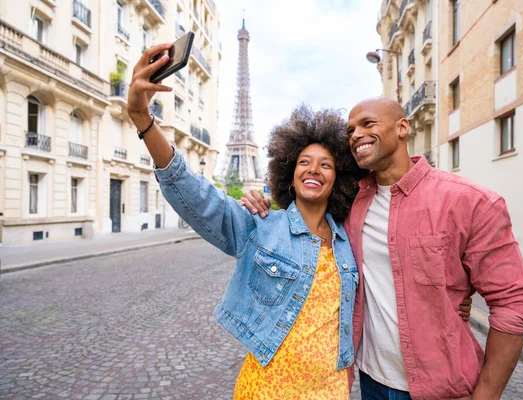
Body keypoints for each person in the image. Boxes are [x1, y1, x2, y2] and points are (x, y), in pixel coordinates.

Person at [241, 97, 523, 400]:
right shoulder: (349, 203)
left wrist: (487, 393)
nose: (356, 134)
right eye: (351, 130)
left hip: (442, 388)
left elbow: (514, 301)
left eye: (368, 124)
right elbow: (305, 211)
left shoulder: (469, 202)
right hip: (370, 382)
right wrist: (259, 203)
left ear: (402, 128)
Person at [127, 43, 364, 399]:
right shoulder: (262, 226)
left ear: (339, 177)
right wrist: (142, 119)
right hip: (267, 389)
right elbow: (200, 199)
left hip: (330, 390)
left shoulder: (347, 241)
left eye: (326, 164)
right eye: (304, 161)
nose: (314, 168)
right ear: (289, 172)